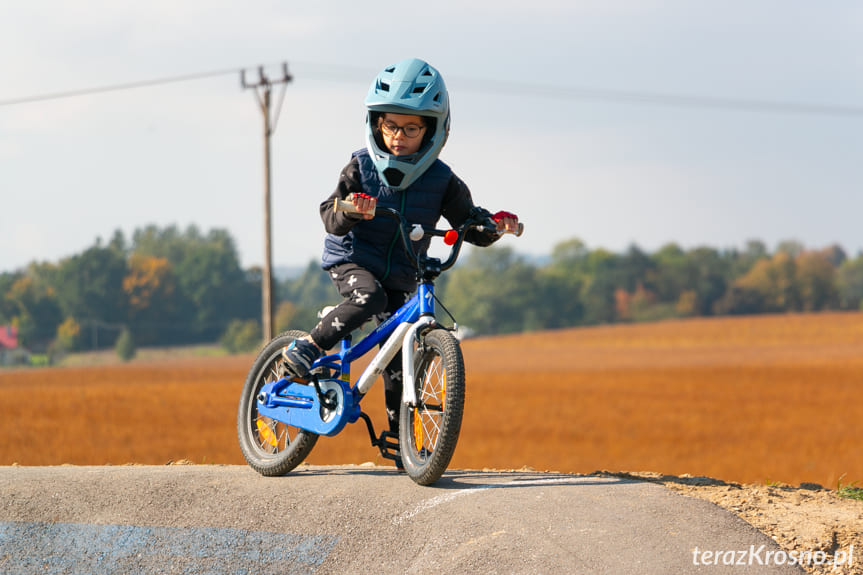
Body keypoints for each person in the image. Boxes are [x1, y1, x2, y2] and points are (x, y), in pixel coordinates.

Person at [282, 57, 519, 441]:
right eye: (390, 125)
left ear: (431, 131)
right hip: (354, 259)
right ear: (377, 123)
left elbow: (468, 223)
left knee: (400, 349)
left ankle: (400, 437)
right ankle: (309, 346)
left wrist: (494, 227)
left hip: (405, 270)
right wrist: (353, 212)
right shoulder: (361, 166)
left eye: (411, 128)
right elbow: (330, 215)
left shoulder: (442, 180)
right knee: (369, 297)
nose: (398, 136)